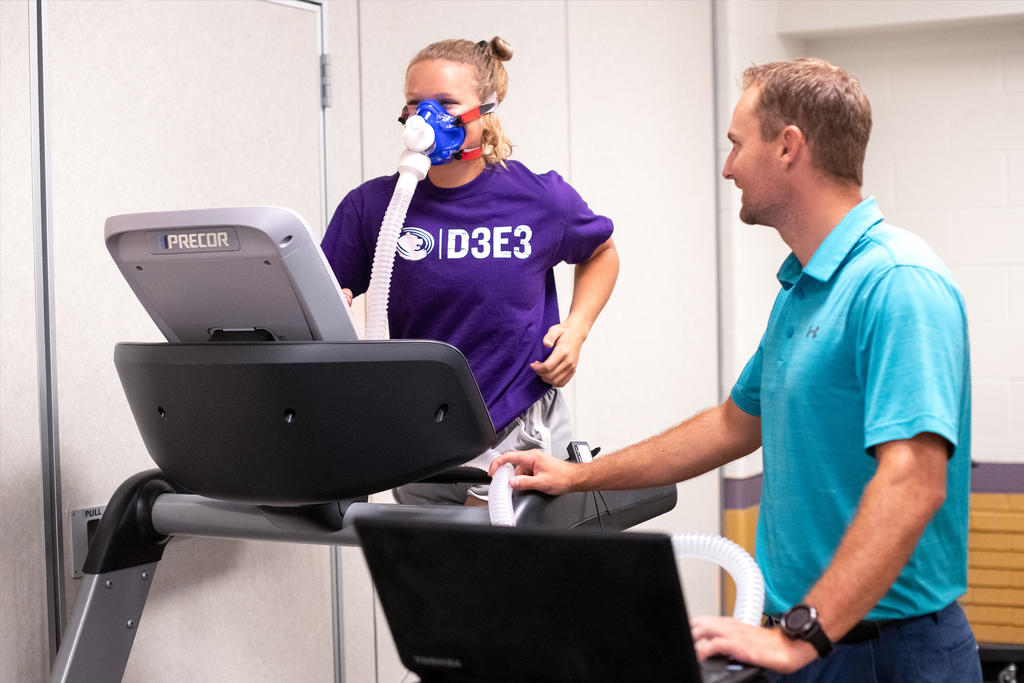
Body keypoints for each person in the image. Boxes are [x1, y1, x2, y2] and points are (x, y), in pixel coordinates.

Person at [490, 58, 980, 682]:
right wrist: (577, 476)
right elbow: (731, 424)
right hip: (815, 640)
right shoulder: (804, 287)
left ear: (788, 146)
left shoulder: (896, 283)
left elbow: (914, 481)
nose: (728, 167)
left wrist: (802, 637)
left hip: (882, 652)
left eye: (736, 145)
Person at [322, 37, 619, 506]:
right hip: (423, 431)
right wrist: (327, 308)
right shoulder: (373, 207)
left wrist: (576, 331)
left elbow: (601, 251)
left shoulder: (538, 199)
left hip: (516, 420)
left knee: (513, 573)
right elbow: (324, 293)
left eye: (444, 103)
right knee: (430, 573)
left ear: (485, 111)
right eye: (415, 104)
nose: (426, 118)